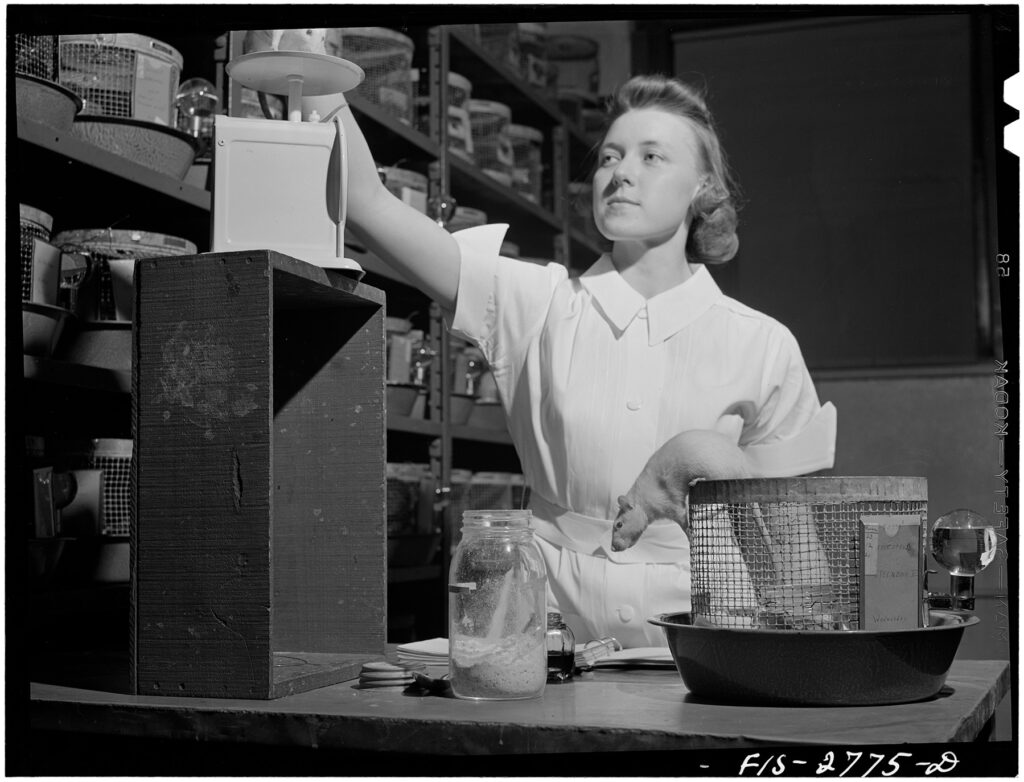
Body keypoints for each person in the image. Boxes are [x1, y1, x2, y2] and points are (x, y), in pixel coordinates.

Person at [338, 74, 837, 648]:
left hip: (708, 631)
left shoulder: (763, 343)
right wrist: (317, 75)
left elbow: (793, 543)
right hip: (547, 628)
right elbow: (368, 204)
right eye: (609, 157)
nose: (621, 172)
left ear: (703, 187)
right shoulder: (537, 303)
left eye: (652, 156)